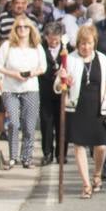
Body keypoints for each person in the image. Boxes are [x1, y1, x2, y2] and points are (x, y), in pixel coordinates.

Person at [60, 24, 106, 198]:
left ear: (94, 43)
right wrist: (63, 81)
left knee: (101, 146)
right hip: (77, 108)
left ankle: (97, 174)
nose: (85, 47)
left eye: (89, 43)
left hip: (98, 109)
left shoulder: (104, 60)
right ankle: (86, 184)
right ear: (77, 44)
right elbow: (58, 86)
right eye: (82, 44)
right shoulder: (69, 59)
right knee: (79, 146)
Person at [0, 15, 47, 170]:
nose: (22, 30)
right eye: (19, 27)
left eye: (26, 27)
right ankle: (13, 157)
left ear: (30, 29)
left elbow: (43, 67)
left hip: (30, 88)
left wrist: (32, 73)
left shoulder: (36, 46)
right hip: (11, 89)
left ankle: (27, 158)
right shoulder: (7, 46)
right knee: (13, 122)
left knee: (29, 126)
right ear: (15, 29)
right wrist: (14, 74)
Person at [37, 23, 67, 166]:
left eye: (56, 39)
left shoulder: (67, 49)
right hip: (46, 91)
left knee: (62, 123)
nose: (54, 42)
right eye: (51, 39)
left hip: (62, 93)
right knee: (46, 123)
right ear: (46, 37)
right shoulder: (40, 48)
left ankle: (61, 154)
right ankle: (47, 153)